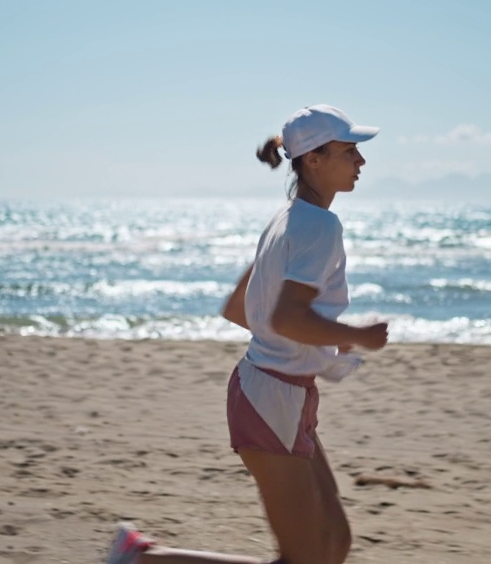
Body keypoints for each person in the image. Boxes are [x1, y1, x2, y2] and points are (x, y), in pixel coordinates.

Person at [106, 104, 390, 564]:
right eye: (350, 151)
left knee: (333, 542)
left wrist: (302, 341)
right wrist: (355, 334)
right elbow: (282, 318)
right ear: (314, 159)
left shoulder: (288, 219)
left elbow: (241, 308)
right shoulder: (319, 225)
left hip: (281, 393)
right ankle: (142, 556)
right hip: (271, 397)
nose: (361, 162)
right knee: (302, 559)